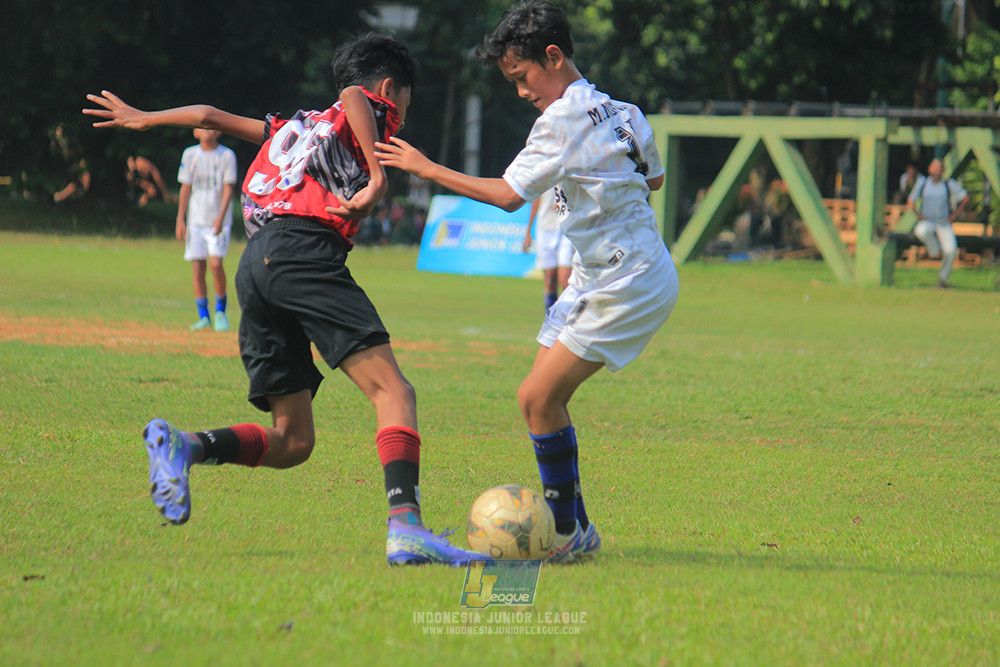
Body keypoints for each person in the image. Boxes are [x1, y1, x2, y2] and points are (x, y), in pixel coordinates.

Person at [83, 33, 484, 566]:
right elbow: (354, 98)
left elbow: (213, 115)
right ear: (390, 86)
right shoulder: (366, 108)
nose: (403, 115)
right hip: (302, 254)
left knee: (293, 441)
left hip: (257, 264)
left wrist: (146, 117)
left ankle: (186, 447)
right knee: (396, 394)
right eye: (405, 99)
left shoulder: (293, 127)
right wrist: (380, 175)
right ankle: (406, 528)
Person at [376, 2, 679, 564]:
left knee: (537, 399)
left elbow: (508, 196)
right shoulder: (625, 110)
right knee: (540, 399)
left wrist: (425, 167)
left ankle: (568, 533)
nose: (520, 91)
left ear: (554, 57)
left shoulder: (560, 121)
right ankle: (576, 526)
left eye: (521, 77)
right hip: (611, 271)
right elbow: (654, 178)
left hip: (624, 278)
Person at [176, 128, 238, 332]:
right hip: (196, 220)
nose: (207, 130)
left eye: (211, 126)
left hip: (217, 221)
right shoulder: (190, 154)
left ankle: (220, 311)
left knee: (216, 264)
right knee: (198, 267)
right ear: (194, 131)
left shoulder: (227, 155)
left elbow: (229, 189)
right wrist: (181, 218)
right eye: (202, 126)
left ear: (219, 131)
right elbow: (186, 187)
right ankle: (204, 317)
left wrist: (220, 217)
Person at [907, 158, 969, 288]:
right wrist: (919, 215)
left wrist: (954, 215)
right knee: (920, 231)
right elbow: (911, 201)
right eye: (934, 167)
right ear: (930, 169)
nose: (936, 170)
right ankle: (934, 251)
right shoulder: (923, 183)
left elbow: (965, 198)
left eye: (939, 168)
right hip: (928, 221)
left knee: (951, 251)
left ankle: (943, 279)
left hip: (943, 222)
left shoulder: (949, 184)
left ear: (943, 170)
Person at [522, 186, 572, 312]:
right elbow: (536, 199)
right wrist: (528, 231)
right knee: (550, 279)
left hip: (566, 227)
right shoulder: (545, 170)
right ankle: (550, 317)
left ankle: (566, 319)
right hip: (546, 227)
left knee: (565, 281)